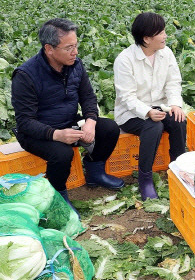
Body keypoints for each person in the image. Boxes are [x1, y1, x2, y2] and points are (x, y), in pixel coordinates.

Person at [11, 18, 124, 210]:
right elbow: (25, 122)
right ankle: (59, 196)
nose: (75, 52)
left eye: (76, 45)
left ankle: (95, 172)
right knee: (62, 154)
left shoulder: (75, 65)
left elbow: (88, 97)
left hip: (68, 122)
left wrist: (90, 120)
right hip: (36, 133)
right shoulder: (25, 75)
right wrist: (56, 135)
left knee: (109, 129)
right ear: (49, 49)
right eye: (69, 47)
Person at [114, 12, 187, 200]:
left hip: (160, 106)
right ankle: (145, 177)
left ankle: (177, 167)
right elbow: (127, 97)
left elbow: (173, 82)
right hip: (131, 114)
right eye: (161, 32)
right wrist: (147, 111)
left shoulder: (166, 53)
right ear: (146, 39)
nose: (166, 36)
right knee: (154, 126)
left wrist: (175, 105)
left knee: (179, 120)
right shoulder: (125, 60)